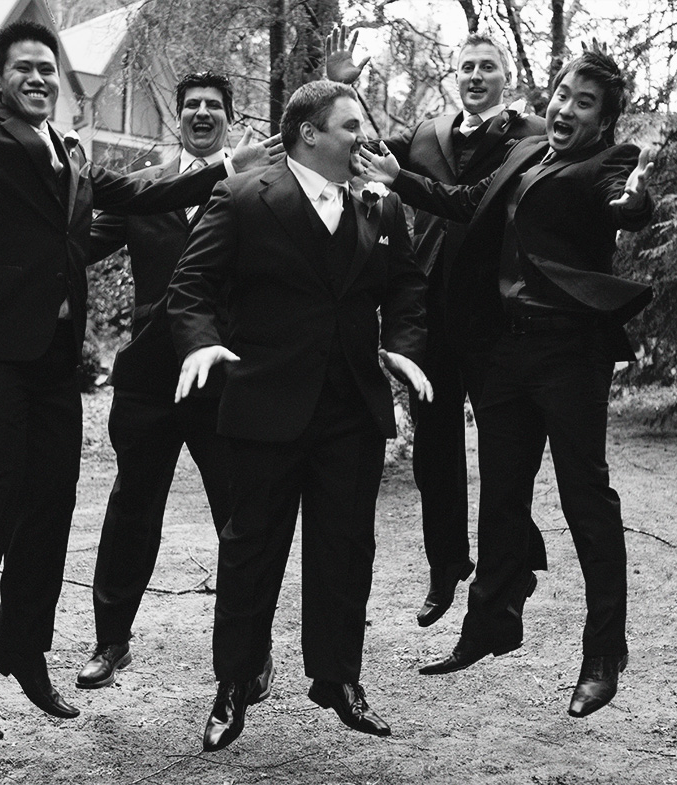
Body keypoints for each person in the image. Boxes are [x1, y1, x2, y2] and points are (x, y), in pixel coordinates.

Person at [0, 8, 278, 743]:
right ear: (0, 78)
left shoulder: (68, 151)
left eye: (47, 70)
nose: (38, 78)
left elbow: (144, 195)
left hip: (53, 358)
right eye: (24, 69)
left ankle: (23, 650)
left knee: (52, 501)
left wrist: (228, 168)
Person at [359, 47, 654, 718]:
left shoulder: (608, 162)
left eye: (583, 102)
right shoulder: (526, 154)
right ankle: (491, 623)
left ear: (604, 119)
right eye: (562, 94)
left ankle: (604, 652)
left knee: (586, 499)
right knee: (501, 496)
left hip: (570, 353)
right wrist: (399, 177)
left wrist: (634, 202)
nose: (565, 108)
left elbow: (626, 200)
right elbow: (465, 202)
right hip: (508, 352)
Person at [168, 80, 431, 751]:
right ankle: (234, 683)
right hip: (265, 406)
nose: (365, 139)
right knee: (251, 550)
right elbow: (190, 286)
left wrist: (403, 346)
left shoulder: (381, 203)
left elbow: (406, 286)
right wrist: (199, 345)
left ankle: (338, 679)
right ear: (308, 133)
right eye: (352, 127)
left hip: (352, 409)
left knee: (346, 548)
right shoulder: (240, 197)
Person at [326, 26, 549, 628]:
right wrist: (341, 92)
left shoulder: (533, 135)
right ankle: (446, 561)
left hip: (498, 312)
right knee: (434, 446)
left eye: (487, 66)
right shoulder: (428, 133)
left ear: (506, 76)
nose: (476, 76)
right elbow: (367, 152)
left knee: (506, 448)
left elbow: (480, 202)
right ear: (456, 75)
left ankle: (514, 559)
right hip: (434, 309)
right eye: (467, 67)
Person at [76, 71, 271, 699]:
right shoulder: (147, 189)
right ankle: (110, 640)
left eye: (214, 105)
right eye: (191, 105)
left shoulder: (257, 187)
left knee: (239, 517)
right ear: (177, 117)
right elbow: (79, 246)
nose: (202, 113)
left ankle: (251, 651)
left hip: (226, 377)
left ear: (231, 119)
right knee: (131, 510)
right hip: (149, 380)